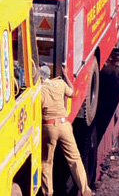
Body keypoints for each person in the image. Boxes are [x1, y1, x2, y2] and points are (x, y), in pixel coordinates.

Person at [39, 65, 92, 196]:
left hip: (49, 127)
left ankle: (48, 192)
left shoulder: (40, 91)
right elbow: (72, 93)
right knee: (74, 158)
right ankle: (85, 191)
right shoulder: (60, 83)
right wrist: (66, 75)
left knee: (46, 162)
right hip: (65, 126)